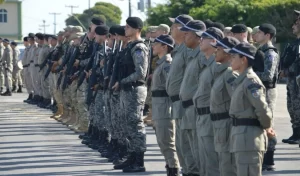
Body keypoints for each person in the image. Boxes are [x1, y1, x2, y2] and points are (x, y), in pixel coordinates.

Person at [225, 43, 272, 176]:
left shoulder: (251, 81)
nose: (230, 59)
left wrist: (266, 126)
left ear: (243, 59)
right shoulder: (241, 80)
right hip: (241, 137)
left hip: (249, 138)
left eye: (233, 57)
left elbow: (262, 109)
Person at [112, 16, 149, 173]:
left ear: (137, 29)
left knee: (135, 124)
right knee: (127, 124)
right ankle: (132, 156)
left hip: (134, 89)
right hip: (127, 90)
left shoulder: (139, 48)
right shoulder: (130, 46)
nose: (125, 29)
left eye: (128, 27)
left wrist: (122, 82)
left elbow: (141, 72)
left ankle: (139, 161)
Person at [166, 14, 194, 176]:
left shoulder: (188, 51)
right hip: (177, 103)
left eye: (173, 26)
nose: (171, 29)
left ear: (182, 29)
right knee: (181, 146)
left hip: (186, 104)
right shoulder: (179, 49)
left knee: (188, 147)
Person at [193, 27, 224, 176]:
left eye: (203, 38)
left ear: (213, 41)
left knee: (212, 165)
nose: (200, 40)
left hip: (211, 118)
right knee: (203, 164)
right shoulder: (206, 65)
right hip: (201, 118)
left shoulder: (217, 67)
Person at [179, 19, 206, 176]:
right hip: (186, 109)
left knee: (198, 154)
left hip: (195, 109)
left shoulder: (202, 57)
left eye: (187, 33)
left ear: (198, 36)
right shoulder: (192, 55)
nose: (184, 36)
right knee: (189, 151)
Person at [210, 37, 240, 176]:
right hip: (219, 125)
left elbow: (238, 102)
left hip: (227, 125)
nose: (215, 51)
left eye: (219, 49)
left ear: (228, 53)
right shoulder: (221, 73)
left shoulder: (229, 74)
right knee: (223, 164)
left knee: (228, 166)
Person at [151, 34, 179, 176]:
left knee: (167, 140)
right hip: (158, 106)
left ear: (165, 47)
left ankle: (173, 168)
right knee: (162, 140)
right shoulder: (161, 63)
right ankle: (170, 165)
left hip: (164, 106)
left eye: (156, 44)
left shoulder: (167, 64)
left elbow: (172, 86)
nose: (153, 46)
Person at [254, 23, 279, 171]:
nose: (256, 35)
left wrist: (251, 74)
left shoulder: (270, 53)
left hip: (268, 92)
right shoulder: (260, 50)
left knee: (267, 125)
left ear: (267, 36)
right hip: (261, 90)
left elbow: (268, 76)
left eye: (259, 33)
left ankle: (269, 160)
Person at [280, 17, 300, 144]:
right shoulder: (294, 43)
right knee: (292, 106)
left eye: (297, 23)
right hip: (291, 79)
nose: (293, 26)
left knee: (297, 107)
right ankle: (295, 133)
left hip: (297, 80)